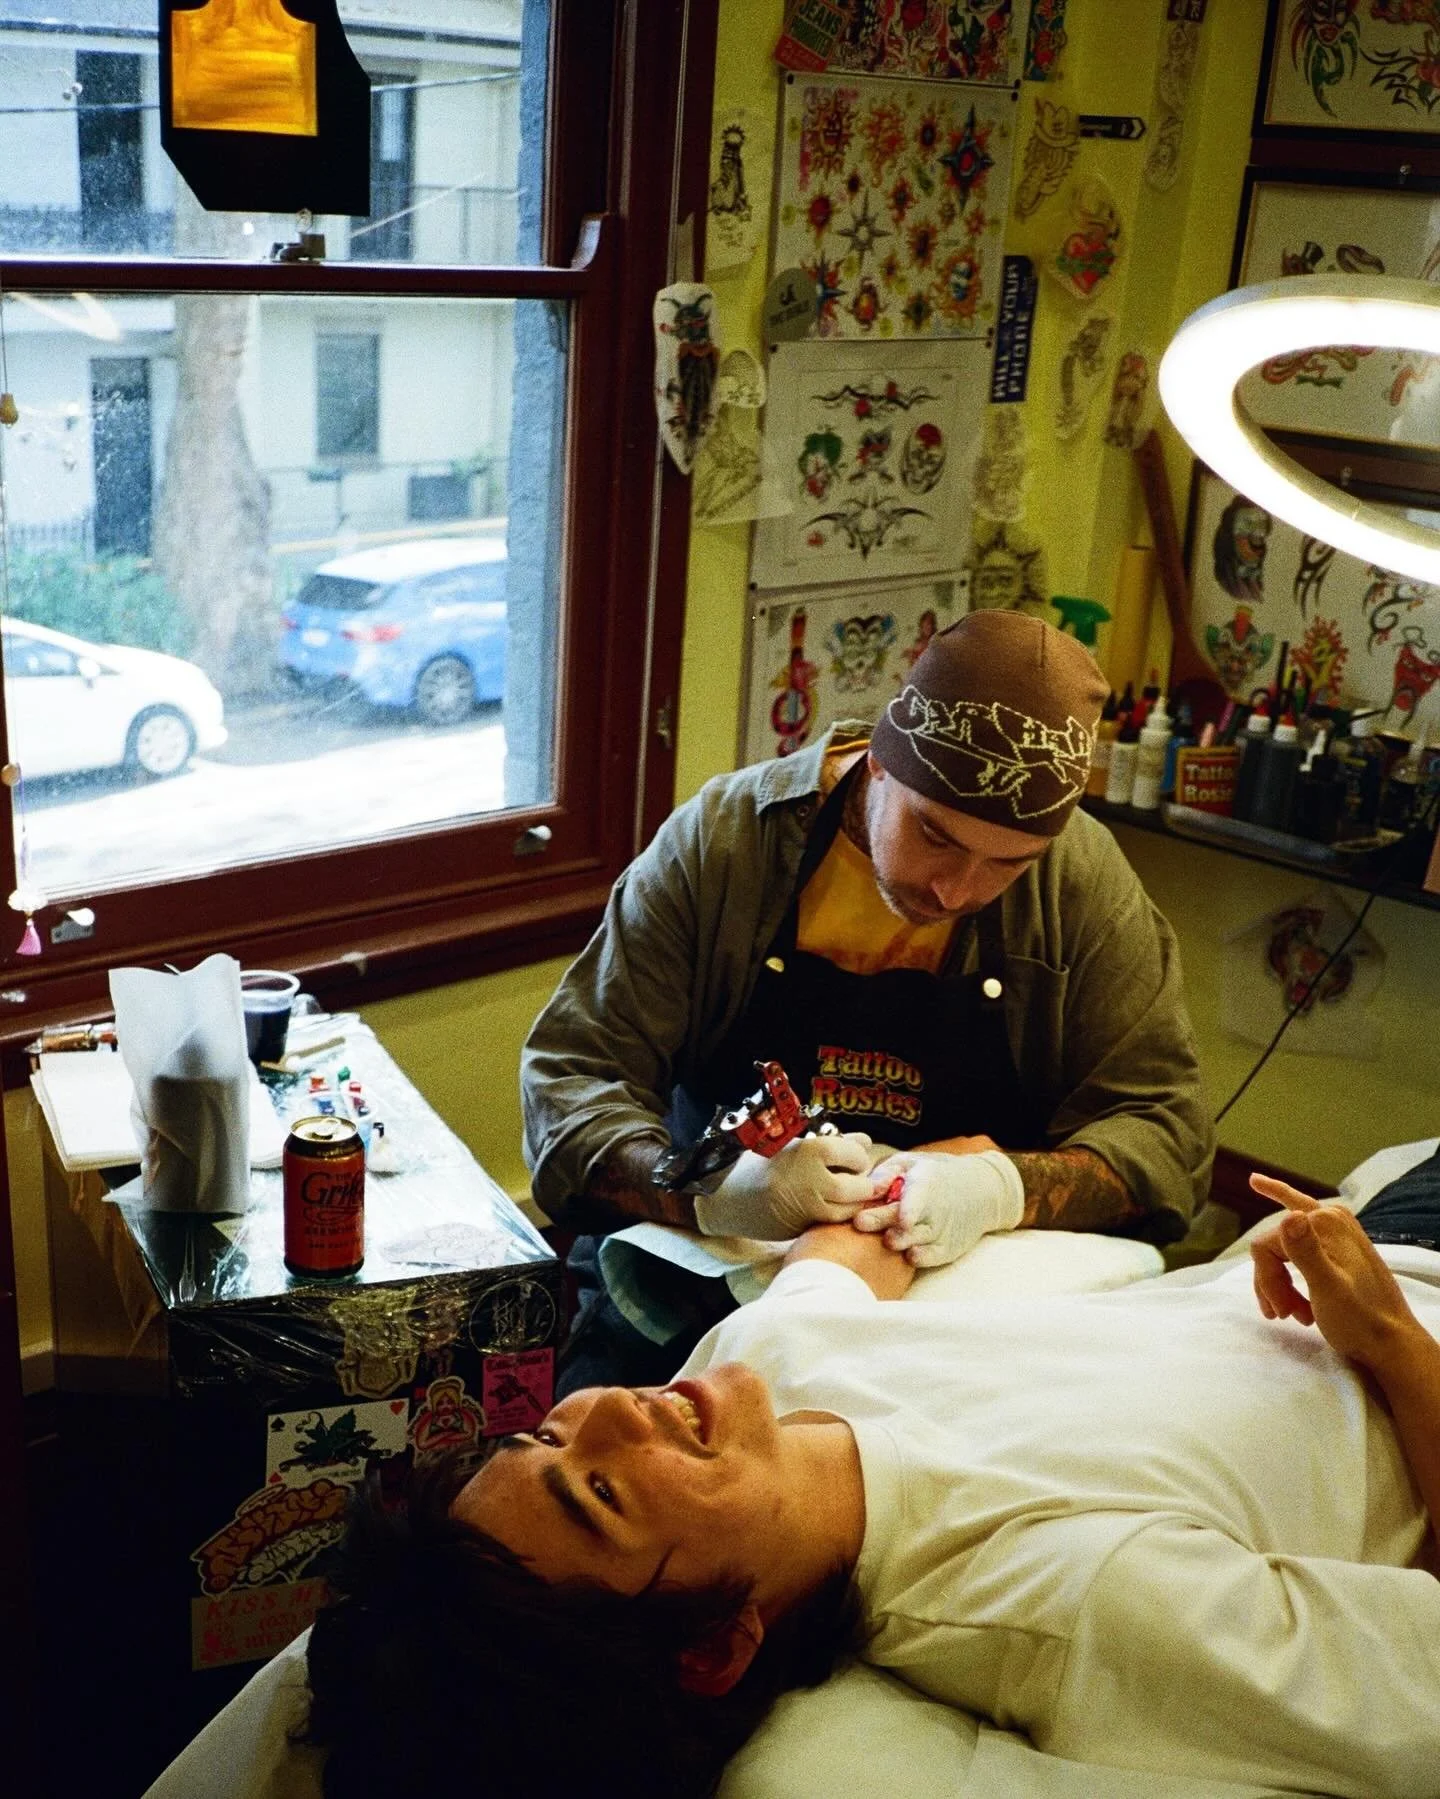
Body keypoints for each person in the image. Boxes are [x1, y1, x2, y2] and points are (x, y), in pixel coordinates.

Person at [304, 1173, 1440, 1799]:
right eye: (602, 1492)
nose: (610, 1407)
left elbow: (838, 1261)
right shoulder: (1064, 1600)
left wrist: (945, 1181)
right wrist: (1392, 1342)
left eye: (547, 1435)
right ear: (715, 1647)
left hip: (1374, 1223)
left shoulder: (752, 1382)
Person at [521, 611, 1214, 1388]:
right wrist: (714, 1190)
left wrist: (1000, 1190)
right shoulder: (726, 848)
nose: (956, 889)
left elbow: (1167, 1134)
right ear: (878, 763)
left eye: (1006, 865)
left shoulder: (1081, 886)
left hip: (956, 1315)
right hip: (700, 1292)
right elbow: (568, 1084)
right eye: (935, 836)